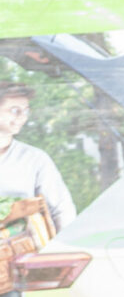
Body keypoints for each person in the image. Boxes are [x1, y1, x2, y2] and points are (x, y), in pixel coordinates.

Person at [0, 85, 75, 234]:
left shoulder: (34, 159)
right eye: (15, 111)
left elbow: (62, 210)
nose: (22, 117)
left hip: (21, 251)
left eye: (26, 111)